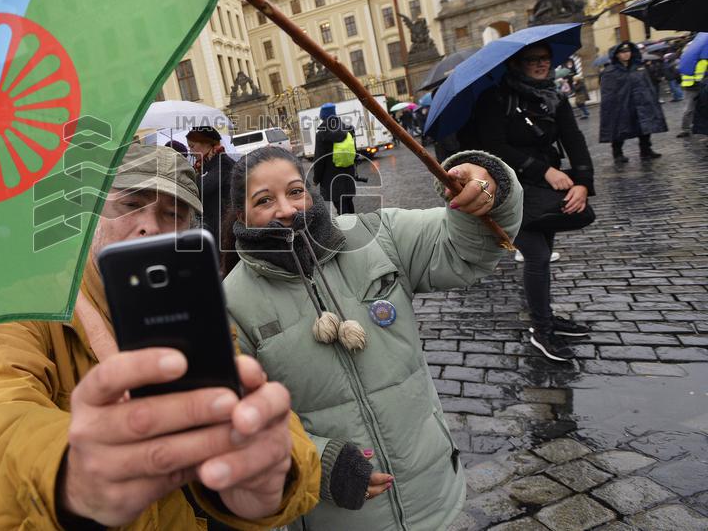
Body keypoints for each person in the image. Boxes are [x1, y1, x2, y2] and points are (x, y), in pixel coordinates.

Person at [0, 144, 320, 530]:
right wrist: (66, 472)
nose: (150, 225)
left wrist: (276, 473)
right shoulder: (32, 307)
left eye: (173, 213)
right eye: (130, 203)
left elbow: (249, 404)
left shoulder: (194, 308)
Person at [220, 145, 522, 530]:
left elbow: (466, 248)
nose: (286, 209)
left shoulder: (378, 235)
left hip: (430, 491)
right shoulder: (230, 302)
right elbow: (239, 418)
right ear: (240, 214)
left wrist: (489, 181)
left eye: (295, 191)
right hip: (338, 517)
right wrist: (319, 463)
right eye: (264, 200)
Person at [463, 42, 595, 362]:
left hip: (543, 189)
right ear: (517, 64)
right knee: (536, 254)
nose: (541, 64)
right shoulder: (494, 99)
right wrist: (545, 170)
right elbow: (494, 147)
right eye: (532, 60)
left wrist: (583, 184)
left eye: (545, 58)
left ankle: (546, 317)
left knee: (544, 252)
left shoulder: (554, 96)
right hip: (506, 188)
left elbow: (573, 139)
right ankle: (541, 329)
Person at [598, 42, 667, 163]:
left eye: (628, 51)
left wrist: (650, 99)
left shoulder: (639, 67)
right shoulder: (610, 72)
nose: (626, 54)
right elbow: (608, 93)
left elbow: (647, 85)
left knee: (644, 127)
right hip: (621, 105)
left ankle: (646, 150)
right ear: (617, 55)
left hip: (640, 102)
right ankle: (617, 153)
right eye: (623, 52)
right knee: (619, 128)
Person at [186, 125, 235, 252]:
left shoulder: (223, 163)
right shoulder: (204, 166)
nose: (191, 152)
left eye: (192, 146)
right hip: (213, 230)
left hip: (224, 231)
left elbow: (202, 189)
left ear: (207, 143)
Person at [311, 103, 357, 215]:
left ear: (323, 116)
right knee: (349, 204)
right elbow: (354, 152)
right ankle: (356, 227)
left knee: (340, 207)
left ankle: (347, 231)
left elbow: (319, 159)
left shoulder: (321, 134)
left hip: (331, 177)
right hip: (348, 174)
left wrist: (316, 179)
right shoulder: (348, 129)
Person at [677, 39, 707, 138]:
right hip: (691, 87)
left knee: (696, 109)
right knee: (689, 109)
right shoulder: (690, 59)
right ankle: (685, 129)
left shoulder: (701, 59)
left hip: (699, 86)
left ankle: (696, 129)